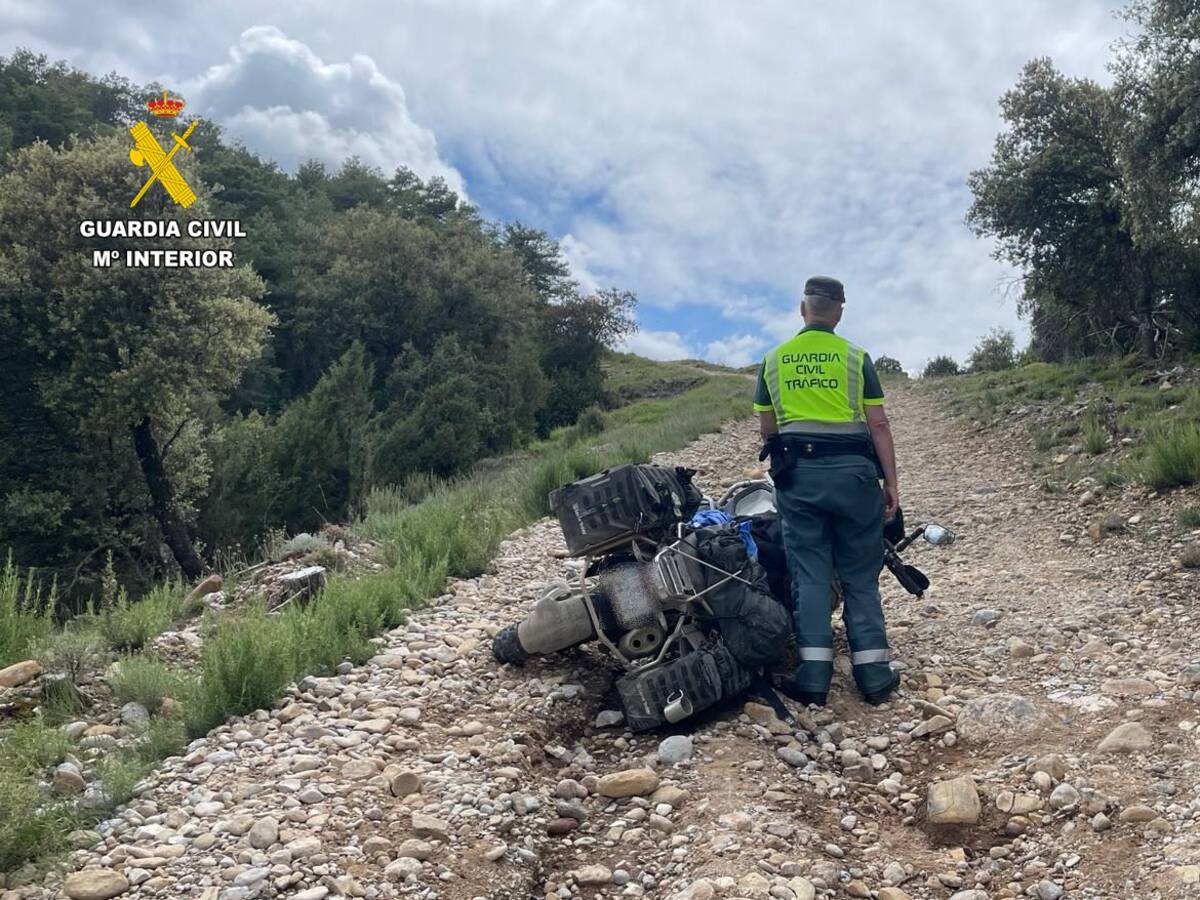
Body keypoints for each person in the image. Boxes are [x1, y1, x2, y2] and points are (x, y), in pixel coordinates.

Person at [752, 275, 901, 706]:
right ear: (838, 312)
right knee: (860, 576)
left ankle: (814, 678)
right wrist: (891, 482)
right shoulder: (856, 357)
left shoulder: (774, 361)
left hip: (800, 480)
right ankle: (874, 676)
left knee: (810, 574)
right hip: (855, 480)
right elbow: (878, 424)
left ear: (803, 310)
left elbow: (767, 429)